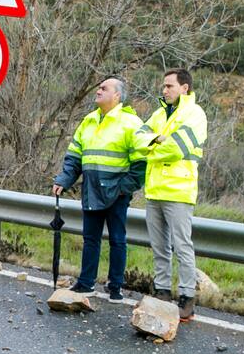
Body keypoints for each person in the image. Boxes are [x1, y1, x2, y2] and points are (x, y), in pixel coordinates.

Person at [51, 77, 147, 301]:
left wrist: (124, 188)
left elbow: (141, 163)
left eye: (104, 88)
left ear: (117, 96)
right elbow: (74, 157)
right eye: (98, 87)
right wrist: (63, 180)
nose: (98, 91)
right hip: (92, 189)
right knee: (90, 238)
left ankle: (115, 287)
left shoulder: (131, 123)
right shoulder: (89, 121)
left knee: (117, 239)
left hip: (117, 191)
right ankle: (86, 284)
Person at [135, 68, 207, 321]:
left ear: (184, 88)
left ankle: (187, 298)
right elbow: (137, 140)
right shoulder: (158, 113)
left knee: (182, 246)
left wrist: (153, 145)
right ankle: (162, 292)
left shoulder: (195, 114)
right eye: (164, 86)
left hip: (179, 191)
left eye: (169, 86)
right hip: (154, 190)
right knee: (159, 247)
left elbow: (177, 148)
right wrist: (159, 139)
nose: (164, 90)